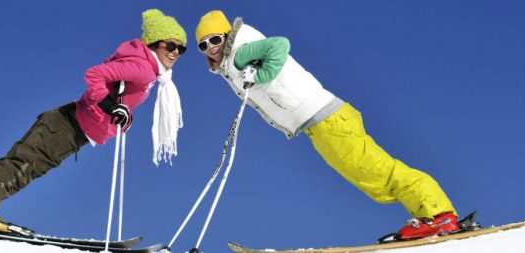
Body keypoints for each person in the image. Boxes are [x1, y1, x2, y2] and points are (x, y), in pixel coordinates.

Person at [194, 10, 460, 240]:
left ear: (227, 35)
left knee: (379, 172)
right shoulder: (232, 63)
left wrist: (262, 73)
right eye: (203, 45)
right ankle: (428, 218)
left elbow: (279, 45)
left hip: (326, 119)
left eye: (215, 39)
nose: (211, 47)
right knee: (372, 179)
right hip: (320, 124)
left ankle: (438, 214)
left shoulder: (240, 50)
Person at [0, 9, 187, 234]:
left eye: (181, 48)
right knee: (25, 166)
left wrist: (121, 114)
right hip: (67, 126)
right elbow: (95, 75)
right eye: (171, 45)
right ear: (155, 43)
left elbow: (115, 94)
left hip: (69, 124)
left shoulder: (146, 68)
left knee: (20, 161)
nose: (176, 52)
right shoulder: (143, 68)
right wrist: (108, 105)